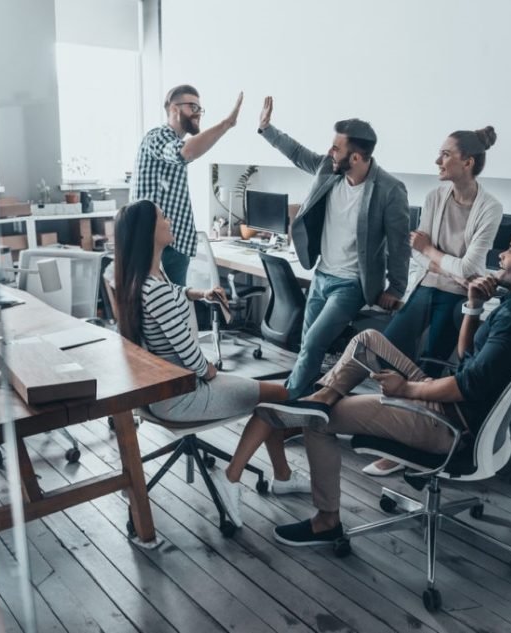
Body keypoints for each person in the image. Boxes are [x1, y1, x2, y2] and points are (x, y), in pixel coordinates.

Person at [247, 227, 511, 545]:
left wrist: (405, 389)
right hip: (452, 405)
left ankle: (326, 521)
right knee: (368, 339)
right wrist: (474, 305)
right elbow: (467, 358)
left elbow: (466, 386)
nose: (502, 255)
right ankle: (322, 397)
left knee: (317, 423)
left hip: (448, 423)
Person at [112, 200, 310, 528]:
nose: (170, 220)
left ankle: (284, 477)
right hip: (183, 394)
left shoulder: (144, 280)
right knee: (277, 396)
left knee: (270, 394)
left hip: (163, 392)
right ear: (149, 232)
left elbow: (171, 294)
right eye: (163, 217)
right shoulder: (154, 290)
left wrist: (196, 293)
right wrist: (210, 370)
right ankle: (233, 477)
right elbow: (191, 357)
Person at [366, 126, 504, 477]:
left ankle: (409, 444)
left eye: (445, 154)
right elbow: (420, 255)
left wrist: (431, 250)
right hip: (427, 286)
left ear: (467, 162)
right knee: (388, 349)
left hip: (456, 297)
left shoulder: (490, 208)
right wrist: (442, 261)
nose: (437, 160)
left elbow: (468, 268)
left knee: (430, 366)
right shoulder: (434, 197)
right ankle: (391, 427)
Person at [257, 96, 410, 399]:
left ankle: (286, 402)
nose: (330, 152)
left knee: (314, 342)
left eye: (337, 148)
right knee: (307, 344)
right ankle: (308, 402)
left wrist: (396, 287)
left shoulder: (389, 190)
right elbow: (297, 153)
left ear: (356, 157)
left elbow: (399, 243)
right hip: (322, 274)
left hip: (352, 283)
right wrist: (266, 128)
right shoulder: (329, 170)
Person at [130, 85, 244, 285]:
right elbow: (185, 152)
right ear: (174, 109)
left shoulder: (173, 140)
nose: (198, 113)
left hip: (174, 244)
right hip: (155, 246)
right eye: (193, 107)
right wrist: (226, 124)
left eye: (200, 108)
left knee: (175, 301)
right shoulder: (158, 136)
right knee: (159, 303)